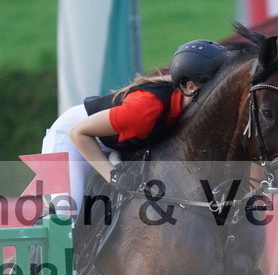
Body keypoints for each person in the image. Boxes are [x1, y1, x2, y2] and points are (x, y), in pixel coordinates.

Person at [41, 39, 228, 215]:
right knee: (66, 214)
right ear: (188, 87)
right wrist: (113, 176)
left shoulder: (182, 105)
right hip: (72, 140)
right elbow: (78, 132)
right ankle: (43, 245)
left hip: (115, 143)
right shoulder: (146, 109)